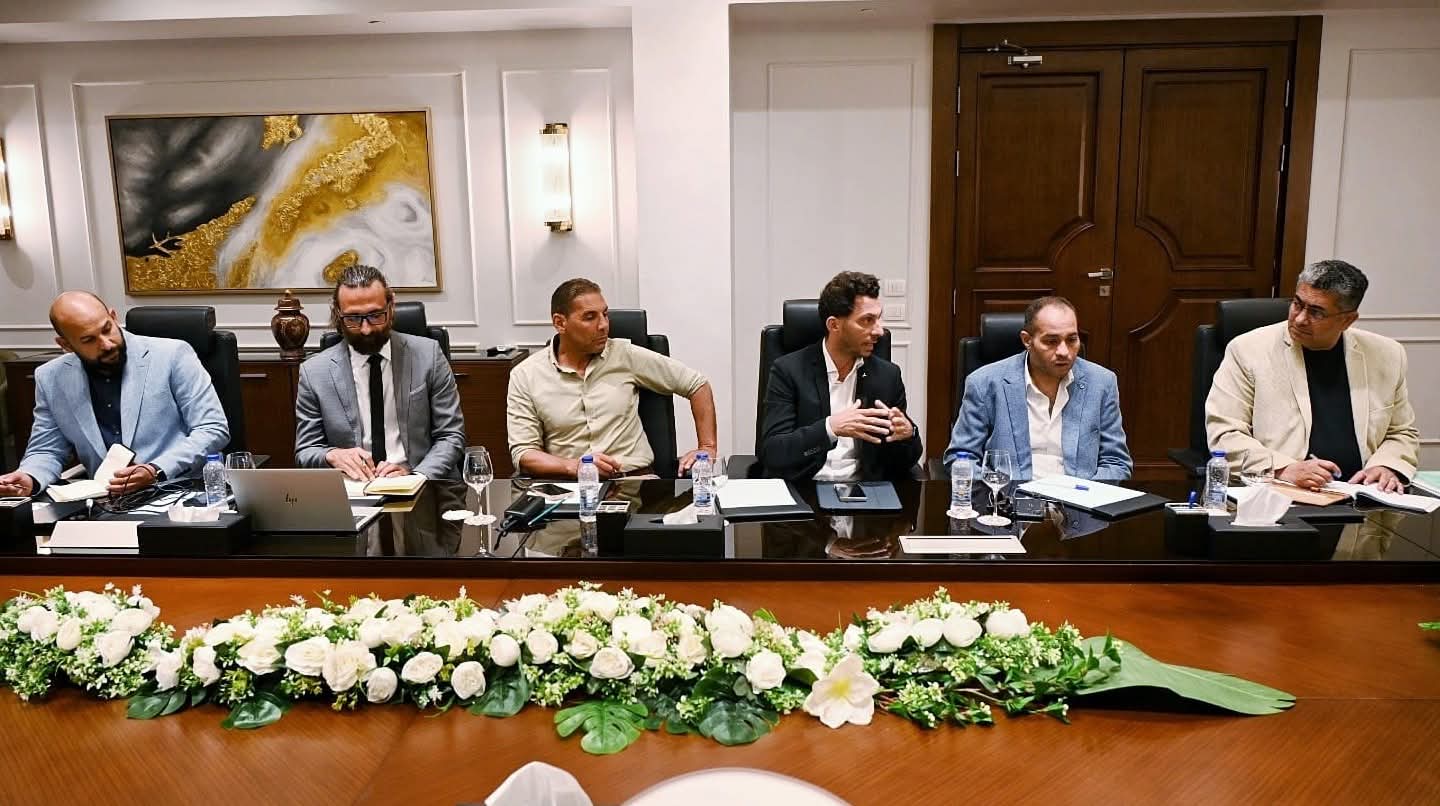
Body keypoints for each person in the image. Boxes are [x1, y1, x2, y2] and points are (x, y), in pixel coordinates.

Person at [1206, 259, 1418, 493]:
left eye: (1316, 312)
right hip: (1280, 493)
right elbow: (1225, 434)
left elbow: (1401, 432)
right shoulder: (1248, 350)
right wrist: (1283, 468)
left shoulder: (1387, 354)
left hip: (1362, 495)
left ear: (1347, 320)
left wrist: (1386, 465)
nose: (1299, 319)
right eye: (1297, 304)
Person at [0, 291, 229, 497]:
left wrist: (156, 469)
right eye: (89, 340)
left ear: (113, 316)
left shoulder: (171, 355)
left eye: (107, 329)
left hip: (177, 492)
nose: (107, 344)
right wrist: (30, 477)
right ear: (66, 344)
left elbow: (212, 429)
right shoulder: (51, 378)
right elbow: (46, 450)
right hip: (106, 501)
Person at [507, 278, 718, 479]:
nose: (603, 325)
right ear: (560, 323)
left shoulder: (625, 355)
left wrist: (707, 448)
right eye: (590, 317)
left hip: (635, 480)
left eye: (605, 314)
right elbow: (524, 453)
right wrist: (575, 467)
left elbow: (697, 385)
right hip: (568, 486)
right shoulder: (526, 375)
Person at [294, 265, 466, 480]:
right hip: (353, 488)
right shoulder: (314, 372)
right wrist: (331, 455)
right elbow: (305, 450)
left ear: (391, 306)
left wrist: (416, 476)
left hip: (417, 481)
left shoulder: (428, 356)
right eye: (353, 318)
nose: (366, 329)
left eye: (375, 315)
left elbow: (451, 435)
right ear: (338, 314)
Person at [944, 296, 1132, 481]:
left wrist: (1087, 494)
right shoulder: (985, 383)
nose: (1064, 352)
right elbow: (961, 458)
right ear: (1027, 340)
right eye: (1051, 341)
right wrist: (997, 491)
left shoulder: (1102, 383)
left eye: (1071, 340)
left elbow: (1116, 463)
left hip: (1079, 496)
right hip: (1010, 495)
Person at [759, 271, 922, 482]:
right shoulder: (788, 371)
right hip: (805, 487)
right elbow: (773, 452)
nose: (879, 331)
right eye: (867, 320)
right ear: (834, 325)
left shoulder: (887, 375)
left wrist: (908, 435)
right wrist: (831, 428)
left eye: (878, 319)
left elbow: (902, 463)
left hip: (865, 490)